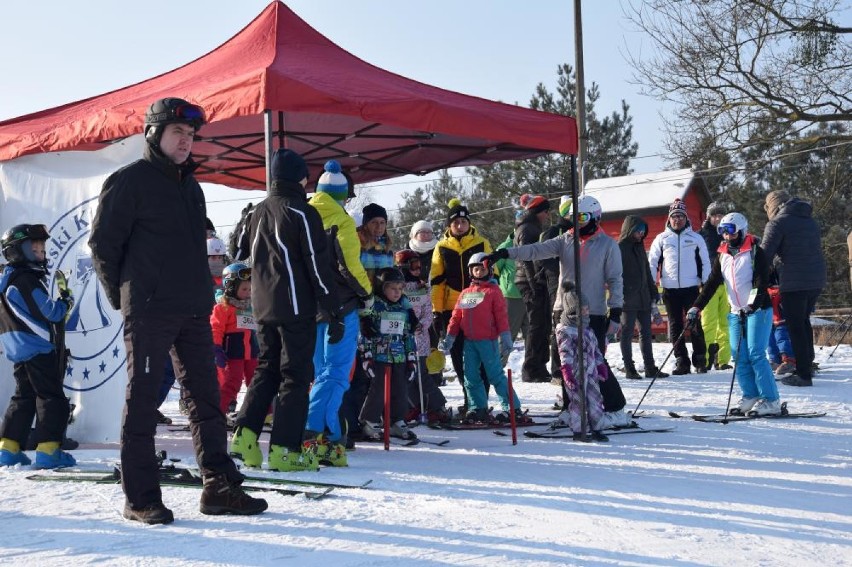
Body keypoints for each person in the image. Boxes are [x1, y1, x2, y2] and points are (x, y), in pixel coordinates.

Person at [89, 97, 267, 524]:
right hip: (150, 309)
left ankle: (219, 488)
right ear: (154, 133)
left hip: (193, 309)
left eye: (190, 136)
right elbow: (103, 246)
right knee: (145, 401)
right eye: (178, 133)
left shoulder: (192, 187)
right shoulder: (128, 182)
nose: (186, 142)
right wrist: (125, 299)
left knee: (206, 398)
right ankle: (141, 497)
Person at [229, 148, 341, 473]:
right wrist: (332, 309)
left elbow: (243, 257)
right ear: (299, 177)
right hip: (294, 307)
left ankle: (244, 436)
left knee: (267, 369)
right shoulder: (302, 212)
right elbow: (316, 265)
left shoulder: (256, 212)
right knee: (295, 376)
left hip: (263, 307)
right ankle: (285, 450)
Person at [485, 195, 630, 428]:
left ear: (595, 217)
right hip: (563, 309)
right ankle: (570, 407)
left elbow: (615, 280)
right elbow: (535, 250)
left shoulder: (607, 245)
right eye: (573, 217)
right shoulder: (565, 240)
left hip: (591, 311)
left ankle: (615, 407)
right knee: (566, 363)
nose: (577, 222)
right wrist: (506, 253)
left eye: (582, 217)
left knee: (595, 361)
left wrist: (615, 312)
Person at [305, 160, 372, 467]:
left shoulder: (302, 215)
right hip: (340, 307)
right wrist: (366, 293)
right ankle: (310, 431)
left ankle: (332, 439)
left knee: (322, 374)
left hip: (309, 308)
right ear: (342, 195)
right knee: (337, 374)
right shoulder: (341, 220)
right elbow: (349, 265)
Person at [688, 213, 782, 415]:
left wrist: (751, 306)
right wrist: (697, 306)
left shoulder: (756, 251)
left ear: (741, 230)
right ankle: (750, 395)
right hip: (735, 311)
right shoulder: (722, 254)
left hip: (758, 310)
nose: (726, 235)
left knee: (756, 354)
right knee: (739, 356)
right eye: (722, 230)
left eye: (730, 230)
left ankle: (771, 400)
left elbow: (760, 283)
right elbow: (712, 284)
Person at [0, 224, 76, 468]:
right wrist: (65, 301)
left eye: (42, 250)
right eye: (35, 250)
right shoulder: (26, 280)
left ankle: (8, 448)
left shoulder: (7, 279)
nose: (41, 255)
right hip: (38, 349)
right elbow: (51, 313)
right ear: (18, 252)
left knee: (23, 397)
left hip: (18, 348)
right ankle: (48, 450)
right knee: (51, 397)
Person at [440, 253, 527, 424]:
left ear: (489, 270)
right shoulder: (465, 293)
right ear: (471, 272)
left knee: (495, 376)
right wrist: (450, 336)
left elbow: (501, 317)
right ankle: (477, 408)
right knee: (470, 376)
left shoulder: (493, 292)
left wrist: (506, 337)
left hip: (488, 341)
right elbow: (456, 317)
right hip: (470, 342)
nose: (479, 272)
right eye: (475, 269)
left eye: (482, 269)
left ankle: (513, 409)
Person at [760, 190, 826, 387]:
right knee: (803, 321)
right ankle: (808, 363)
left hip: (794, 281)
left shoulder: (777, 223)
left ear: (772, 207)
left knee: (794, 326)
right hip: (816, 279)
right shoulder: (809, 220)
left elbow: (765, 254)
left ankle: (803, 374)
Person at [431, 199, 492, 395]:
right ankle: (469, 396)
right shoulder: (441, 247)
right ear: (449, 225)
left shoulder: (482, 243)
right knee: (458, 353)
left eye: (463, 222)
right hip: (452, 307)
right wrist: (436, 311)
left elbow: (493, 276)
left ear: (469, 223)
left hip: (478, 304)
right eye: (455, 222)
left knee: (480, 351)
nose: (460, 226)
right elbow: (437, 283)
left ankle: (481, 394)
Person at [648, 198, 711, 375]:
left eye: (681, 216)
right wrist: (652, 284)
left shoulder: (696, 238)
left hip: (691, 288)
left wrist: (705, 285)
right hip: (670, 289)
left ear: (686, 219)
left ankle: (700, 360)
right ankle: (681, 361)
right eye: (674, 216)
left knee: (695, 324)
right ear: (669, 219)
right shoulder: (661, 239)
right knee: (676, 325)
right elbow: (652, 263)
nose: (677, 220)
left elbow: (705, 262)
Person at [358, 267, 418, 441]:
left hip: (398, 355)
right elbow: (365, 333)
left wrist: (411, 358)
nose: (397, 293)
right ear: (382, 287)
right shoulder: (375, 306)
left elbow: (408, 334)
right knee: (377, 389)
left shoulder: (403, 308)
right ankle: (369, 420)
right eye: (393, 288)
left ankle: (395, 421)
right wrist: (366, 355)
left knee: (400, 388)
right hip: (379, 355)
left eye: (400, 289)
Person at [394, 250, 450, 424]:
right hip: (402, 338)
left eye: (420, 266)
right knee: (406, 375)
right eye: (414, 266)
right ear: (403, 267)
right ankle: (416, 405)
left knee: (420, 374)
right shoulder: (397, 288)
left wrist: (422, 325)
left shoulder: (422, 287)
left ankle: (437, 405)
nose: (418, 269)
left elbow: (428, 309)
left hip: (420, 339)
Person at [554, 281, 608, 441]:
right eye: (583, 310)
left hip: (591, 371)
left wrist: (601, 365)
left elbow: (596, 350)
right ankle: (579, 430)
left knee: (595, 399)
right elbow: (565, 353)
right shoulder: (566, 331)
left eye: (587, 309)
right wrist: (567, 372)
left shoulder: (587, 329)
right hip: (576, 372)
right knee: (578, 402)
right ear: (573, 312)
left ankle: (597, 428)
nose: (586, 313)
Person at [617, 215, 668, 379]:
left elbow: (646, 271)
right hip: (627, 299)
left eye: (643, 231)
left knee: (646, 333)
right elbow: (615, 275)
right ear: (630, 229)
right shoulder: (619, 248)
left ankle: (650, 367)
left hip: (644, 297)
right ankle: (629, 368)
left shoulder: (639, 247)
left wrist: (653, 291)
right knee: (626, 333)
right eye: (638, 231)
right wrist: (622, 293)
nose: (641, 234)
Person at [210, 263, 258, 415]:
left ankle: (263, 412)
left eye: (250, 289)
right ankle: (219, 412)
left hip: (252, 353)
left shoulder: (252, 307)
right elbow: (215, 328)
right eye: (244, 289)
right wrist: (216, 348)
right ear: (230, 286)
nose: (248, 293)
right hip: (232, 353)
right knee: (231, 383)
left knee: (257, 382)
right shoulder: (223, 307)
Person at [513, 194, 552, 382]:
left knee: (543, 323)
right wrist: (533, 283)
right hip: (530, 281)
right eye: (545, 211)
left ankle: (540, 365)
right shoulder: (527, 228)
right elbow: (526, 258)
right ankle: (530, 368)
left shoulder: (532, 226)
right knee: (536, 325)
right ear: (537, 211)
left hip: (536, 280)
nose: (547, 215)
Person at [699, 202, 733, 370]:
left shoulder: (729, 234)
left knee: (725, 323)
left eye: (721, 215)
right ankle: (705, 360)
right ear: (709, 217)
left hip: (727, 284)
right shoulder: (702, 235)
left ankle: (723, 360)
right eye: (715, 215)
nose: (718, 218)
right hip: (708, 284)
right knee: (708, 323)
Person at [493, 232, 526, 346]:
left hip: (532, 296)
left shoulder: (536, 242)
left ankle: (532, 365)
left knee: (533, 340)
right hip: (511, 297)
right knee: (506, 338)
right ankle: (497, 364)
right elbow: (494, 270)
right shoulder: (505, 246)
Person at [358, 203, 394, 282]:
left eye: (382, 222)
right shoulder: (356, 246)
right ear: (365, 225)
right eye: (374, 222)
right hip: (362, 293)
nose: (379, 226)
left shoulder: (387, 250)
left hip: (382, 293)